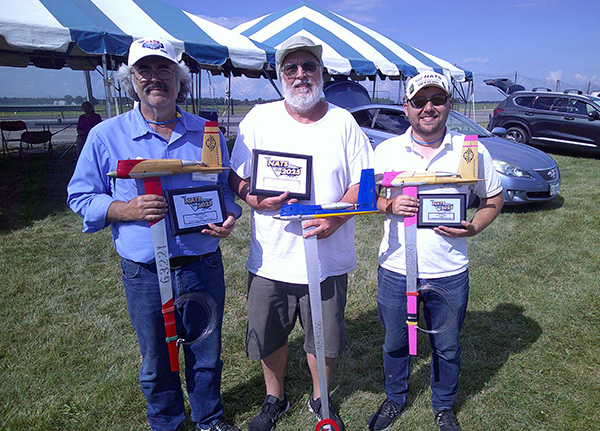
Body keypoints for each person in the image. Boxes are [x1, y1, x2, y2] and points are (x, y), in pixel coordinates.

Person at [67, 37, 242, 431]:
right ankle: (166, 422)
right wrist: (125, 210)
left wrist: (229, 215)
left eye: (164, 70)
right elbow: (79, 196)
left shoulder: (207, 133)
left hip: (202, 264)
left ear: (179, 79)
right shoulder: (105, 136)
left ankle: (209, 418)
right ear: (131, 80)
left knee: (206, 350)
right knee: (156, 358)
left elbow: (224, 190)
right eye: (144, 71)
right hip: (144, 273)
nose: (154, 78)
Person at [228, 35, 373, 431]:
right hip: (271, 255)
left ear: (321, 72)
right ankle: (274, 397)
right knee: (269, 333)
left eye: (309, 66)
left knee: (323, 336)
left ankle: (319, 397)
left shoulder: (342, 121)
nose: (301, 74)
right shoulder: (259, 118)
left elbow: (364, 182)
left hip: (326, 257)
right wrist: (252, 198)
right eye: (291, 68)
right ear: (280, 75)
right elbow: (235, 177)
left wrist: (337, 219)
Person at [368, 72, 504, 431]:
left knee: (447, 346)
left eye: (437, 100)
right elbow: (367, 196)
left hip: (449, 270)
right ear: (407, 108)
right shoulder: (386, 150)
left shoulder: (471, 149)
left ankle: (443, 405)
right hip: (396, 268)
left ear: (449, 105)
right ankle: (395, 397)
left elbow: (493, 198)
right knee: (395, 341)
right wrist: (387, 205)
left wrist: (473, 226)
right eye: (419, 101)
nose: (429, 108)